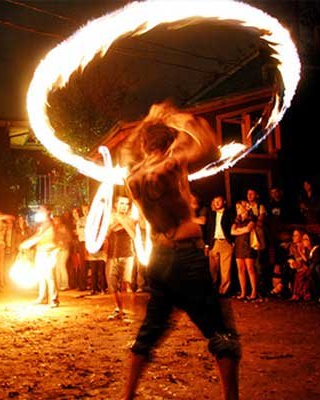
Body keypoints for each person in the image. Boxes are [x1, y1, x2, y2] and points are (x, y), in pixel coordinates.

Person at [119, 101, 240, 400]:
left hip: (159, 258)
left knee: (150, 331)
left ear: (145, 144)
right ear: (169, 143)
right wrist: (177, 119)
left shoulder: (132, 177)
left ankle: (127, 396)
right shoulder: (171, 166)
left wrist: (146, 120)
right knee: (222, 333)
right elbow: (211, 147)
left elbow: (124, 153)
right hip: (187, 257)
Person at [19, 205, 59, 308]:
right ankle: (42, 297)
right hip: (41, 251)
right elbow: (37, 236)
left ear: (47, 212)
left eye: (41, 210)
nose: (39, 211)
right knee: (41, 276)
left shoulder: (48, 223)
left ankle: (54, 299)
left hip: (48, 252)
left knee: (49, 276)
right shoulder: (42, 225)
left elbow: (38, 236)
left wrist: (26, 244)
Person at [106, 195, 135, 321]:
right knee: (112, 285)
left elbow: (133, 234)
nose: (124, 206)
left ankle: (126, 311)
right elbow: (106, 234)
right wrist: (114, 223)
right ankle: (119, 309)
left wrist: (121, 221)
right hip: (112, 255)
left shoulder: (130, 219)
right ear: (116, 205)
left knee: (125, 283)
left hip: (127, 255)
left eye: (126, 204)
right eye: (121, 203)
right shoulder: (110, 218)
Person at [205, 195, 235, 296]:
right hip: (214, 242)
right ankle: (212, 290)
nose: (217, 203)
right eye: (215, 201)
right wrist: (207, 245)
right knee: (212, 269)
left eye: (219, 201)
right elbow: (208, 229)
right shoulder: (211, 214)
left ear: (224, 202)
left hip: (225, 242)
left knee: (225, 269)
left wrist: (232, 241)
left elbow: (233, 226)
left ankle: (224, 291)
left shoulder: (229, 214)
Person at [231, 200, 258, 301]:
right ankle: (243, 292)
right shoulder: (237, 220)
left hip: (248, 245)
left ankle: (254, 292)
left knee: (250, 269)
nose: (237, 209)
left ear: (245, 208)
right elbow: (232, 231)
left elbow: (248, 229)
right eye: (236, 207)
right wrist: (241, 230)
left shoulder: (252, 218)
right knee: (240, 269)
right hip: (239, 245)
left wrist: (239, 230)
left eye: (239, 207)